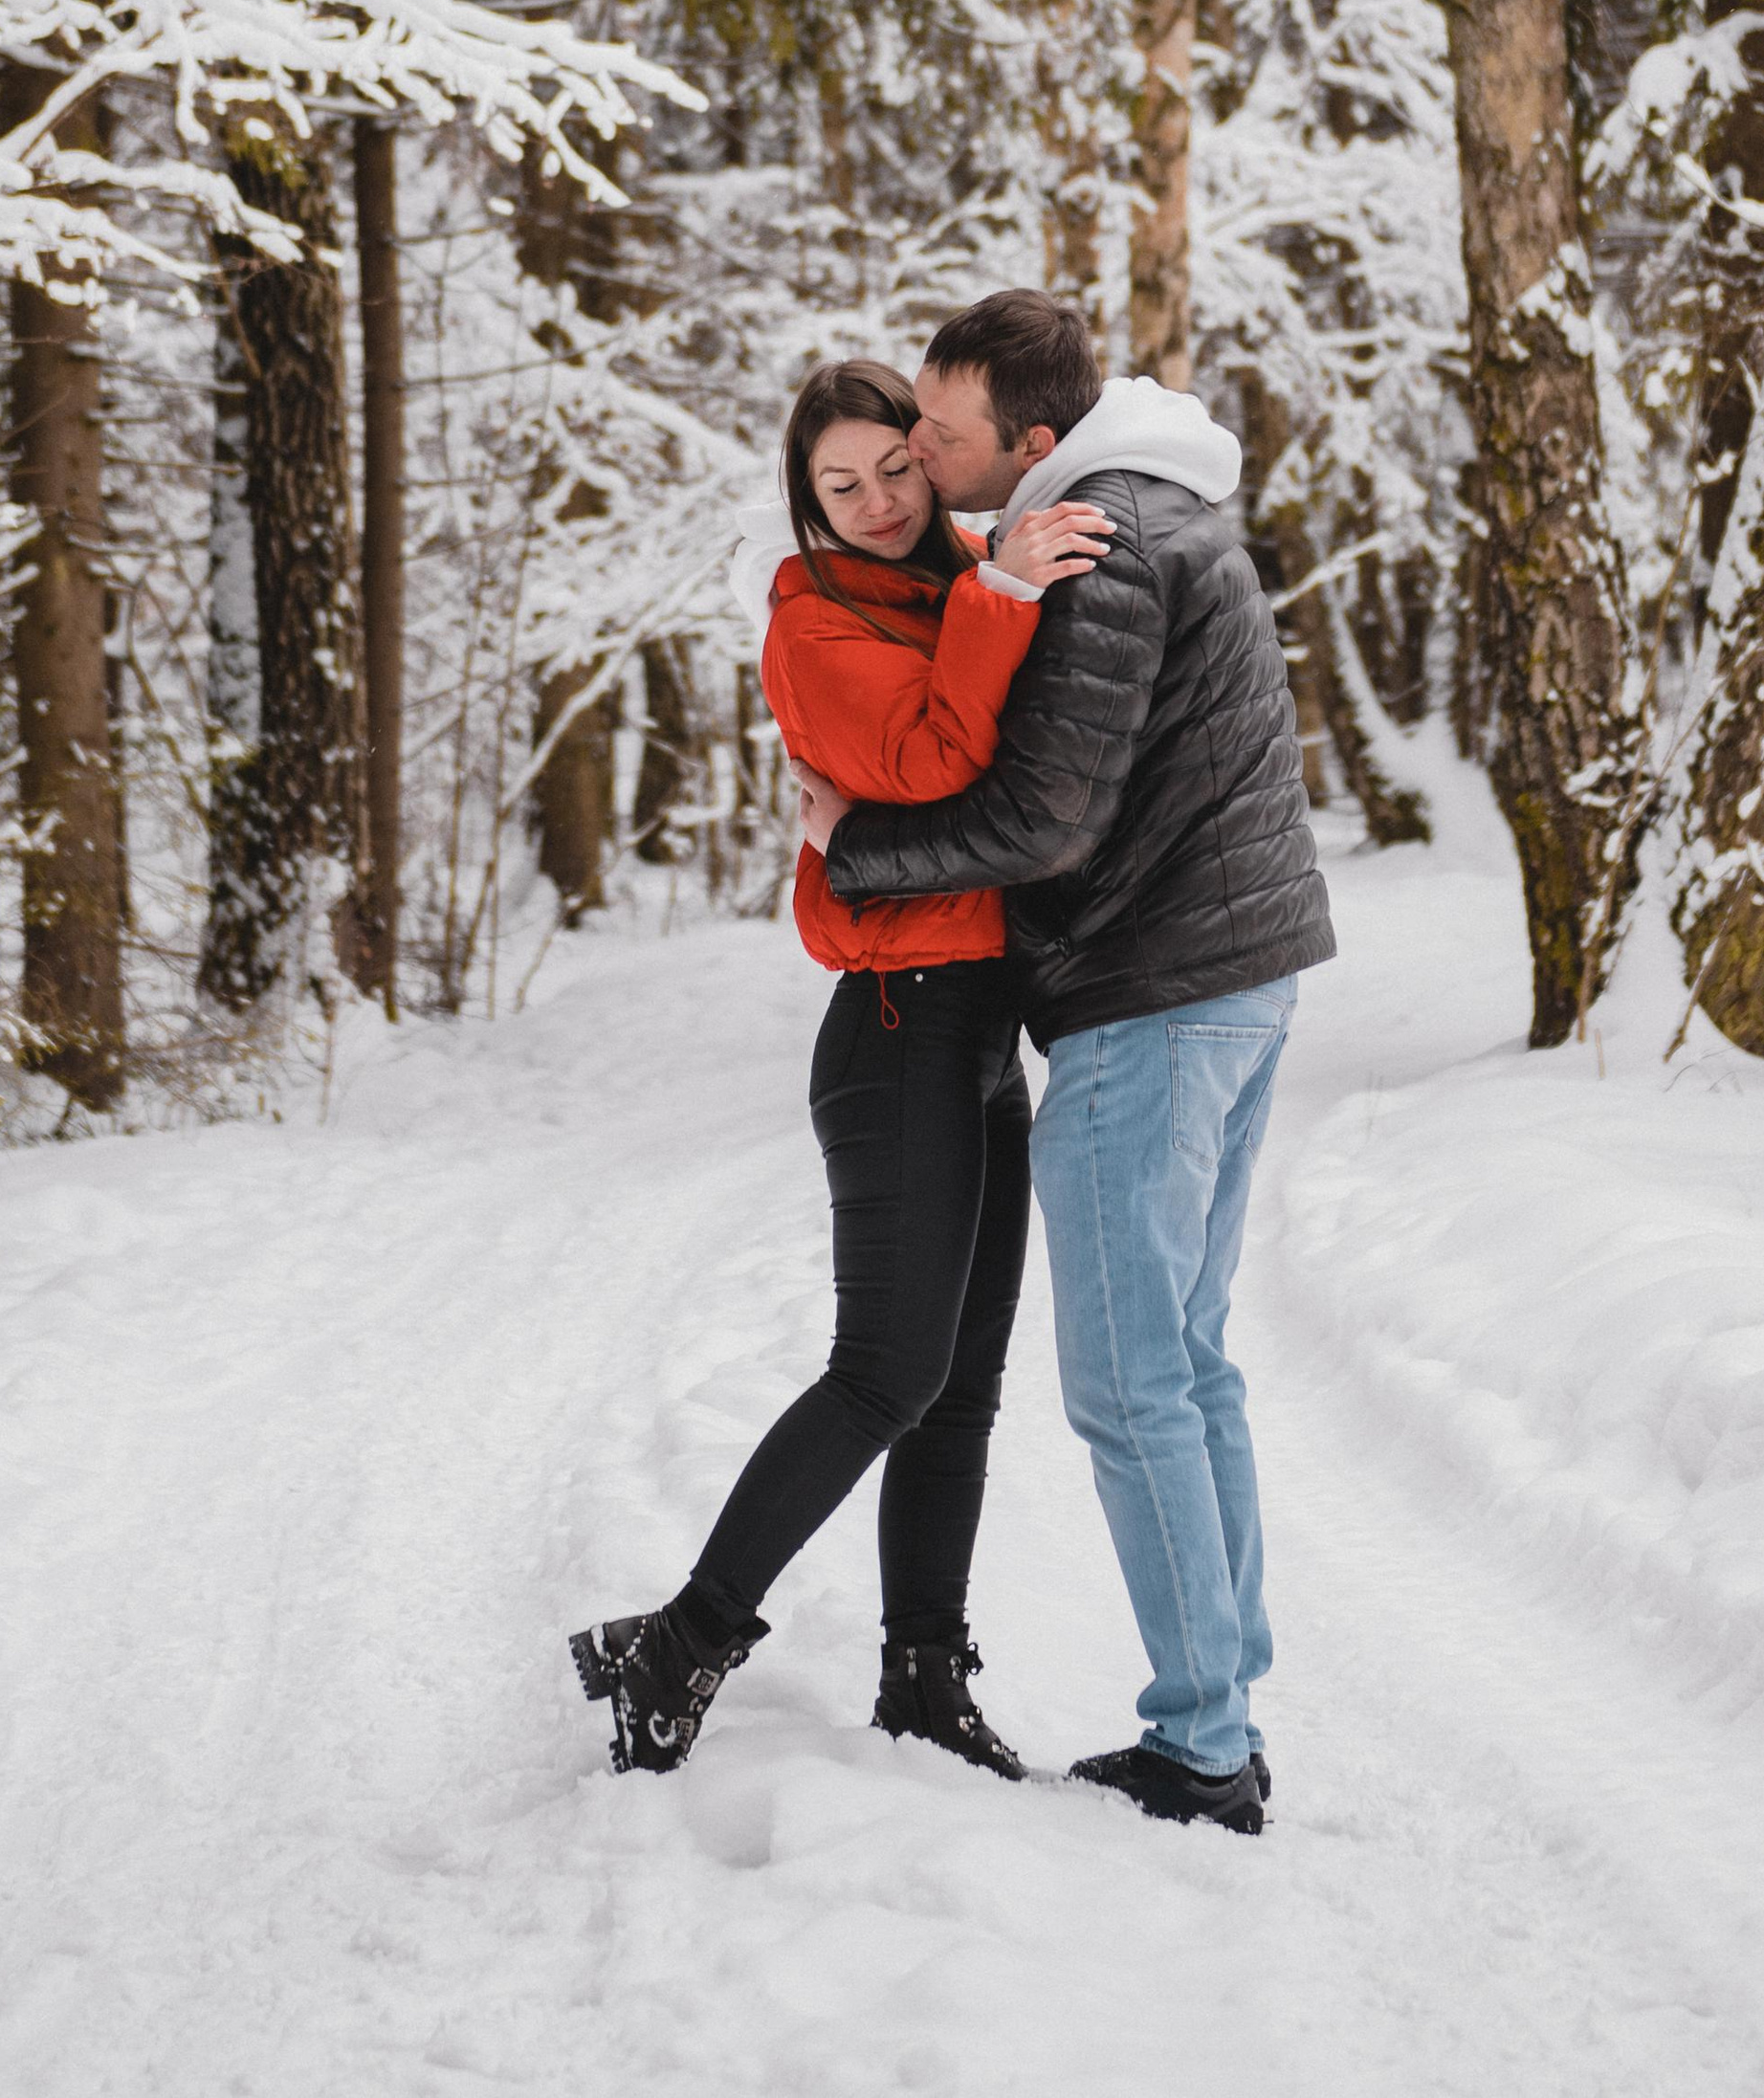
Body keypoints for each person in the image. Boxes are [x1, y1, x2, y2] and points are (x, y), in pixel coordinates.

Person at [795, 291, 1334, 1834]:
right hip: (1228, 985)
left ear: (1027, 441)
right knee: (1193, 1358)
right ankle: (1222, 1702)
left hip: (1153, 996)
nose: (918, 449)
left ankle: (1205, 1749)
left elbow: (1044, 820)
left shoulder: (1100, 544)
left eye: (941, 434)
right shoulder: (1141, 510)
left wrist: (858, 849)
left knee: (1129, 1384)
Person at [570, 357, 1113, 1780]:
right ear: (802, 503)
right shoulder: (815, 624)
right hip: (892, 1033)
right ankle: (681, 1644)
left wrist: (1002, 578)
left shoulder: (950, 580)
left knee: (963, 1388)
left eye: (894, 469)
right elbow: (939, 765)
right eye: (838, 484)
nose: (874, 502)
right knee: (884, 1374)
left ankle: (925, 1678)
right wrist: (1000, 601)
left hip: (978, 1029)